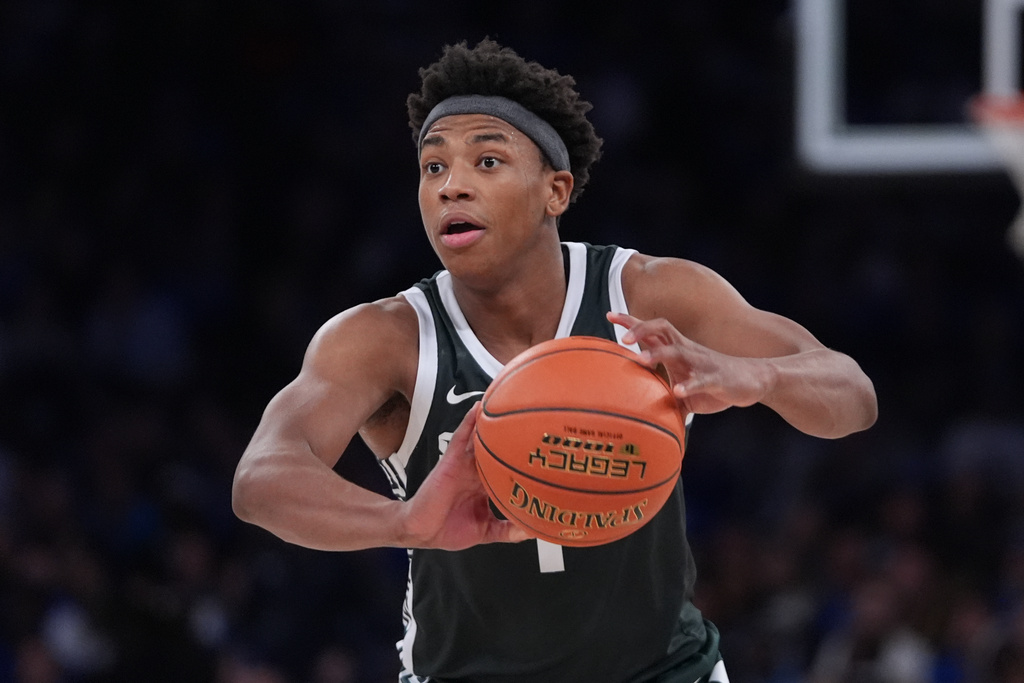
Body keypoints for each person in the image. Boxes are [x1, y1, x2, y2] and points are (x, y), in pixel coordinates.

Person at [231, 39, 878, 683]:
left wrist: (757, 375)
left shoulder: (647, 293)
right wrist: (403, 521)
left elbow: (852, 395)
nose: (453, 185)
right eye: (433, 168)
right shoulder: (387, 337)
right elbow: (261, 477)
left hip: (664, 671)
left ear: (556, 190)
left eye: (487, 160)